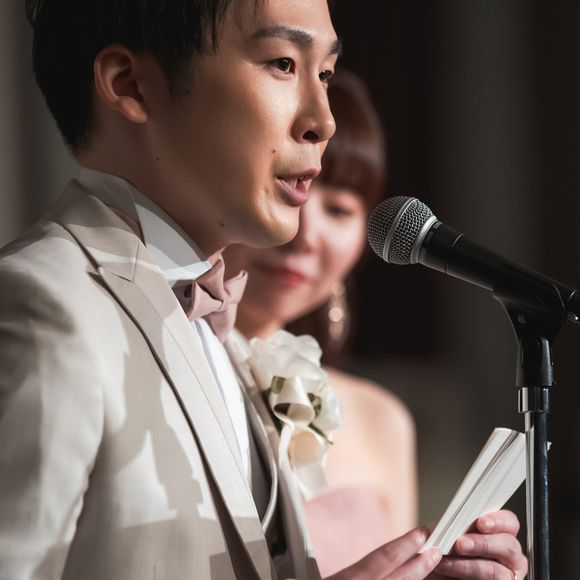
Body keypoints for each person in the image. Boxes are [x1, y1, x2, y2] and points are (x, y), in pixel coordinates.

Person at [0, 0, 527, 579]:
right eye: (282, 63)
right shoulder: (42, 307)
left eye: (325, 73)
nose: (323, 121)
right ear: (131, 85)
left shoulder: (217, 328)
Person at [225, 68, 418, 576]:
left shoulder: (383, 419)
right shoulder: (168, 372)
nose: (304, 234)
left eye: (338, 208)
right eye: (286, 190)